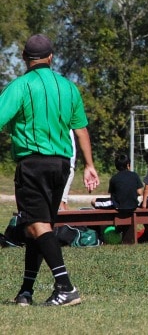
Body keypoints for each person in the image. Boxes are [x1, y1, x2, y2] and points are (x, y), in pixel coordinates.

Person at [0, 34, 99, 306]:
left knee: (36, 224)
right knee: (38, 228)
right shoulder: (69, 87)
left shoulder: (20, 86)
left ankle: (66, 287)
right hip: (61, 165)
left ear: (24, 58)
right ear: (51, 57)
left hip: (33, 163)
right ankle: (26, 291)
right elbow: (80, 129)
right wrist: (89, 166)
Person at [59, 130, 76, 211]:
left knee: (63, 200)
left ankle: (64, 222)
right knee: (62, 200)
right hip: (66, 165)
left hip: (66, 165)